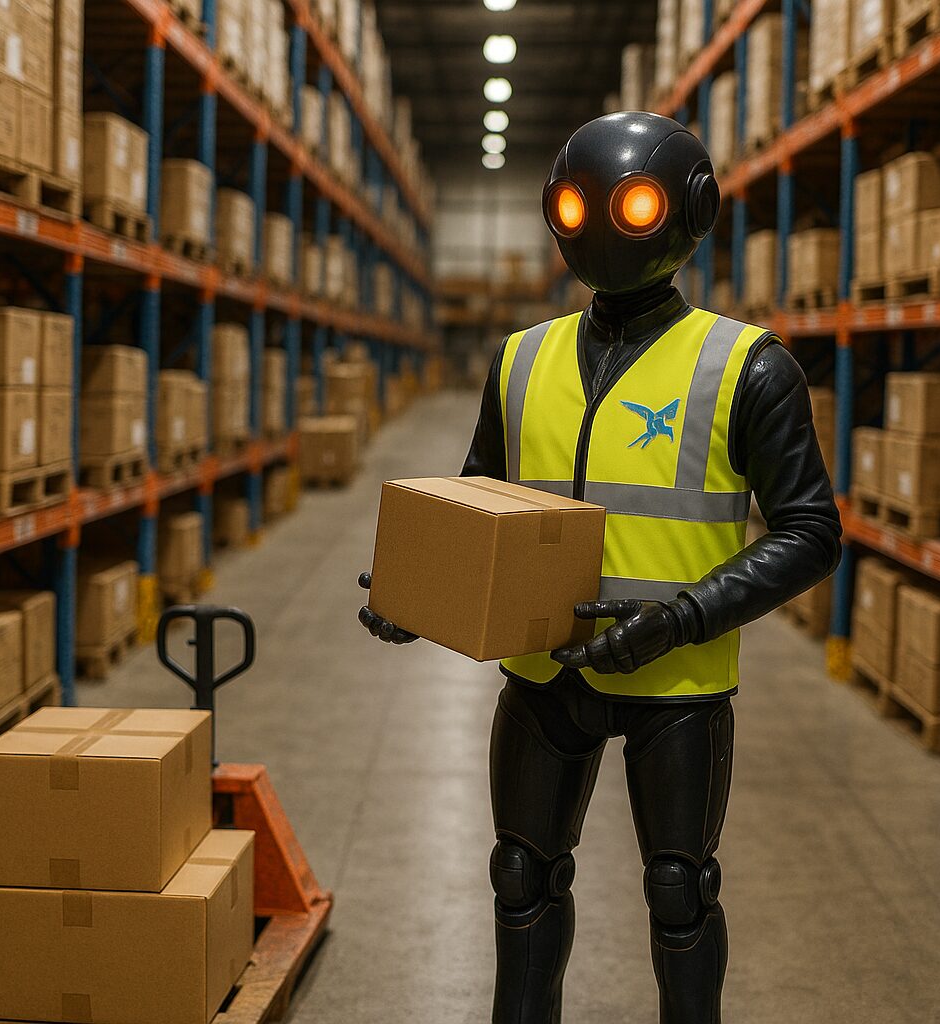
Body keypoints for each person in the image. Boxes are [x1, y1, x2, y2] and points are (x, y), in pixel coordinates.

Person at [359, 112, 842, 1024]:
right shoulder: (520, 359)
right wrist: (418, 588)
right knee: (519, 876)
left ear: (689, 213)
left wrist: (684, 614)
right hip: (543, 672)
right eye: (577, 207)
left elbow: (811, 530)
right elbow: (479, 500)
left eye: (631, 205)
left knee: (678, 891)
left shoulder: (746, 366)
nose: (601, 228)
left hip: (678, 681)